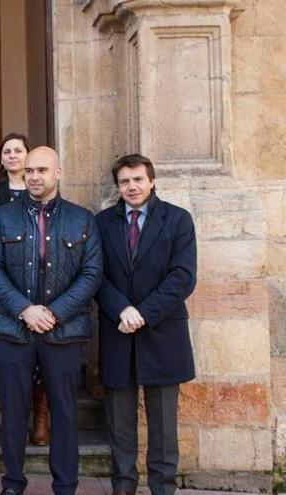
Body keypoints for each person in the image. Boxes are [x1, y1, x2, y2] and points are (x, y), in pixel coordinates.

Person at [0, 146, 103, 495]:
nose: (34, 177)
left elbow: (92, 274)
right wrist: (25, 309)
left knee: (64, 412)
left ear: (58, 172)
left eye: (42, 170)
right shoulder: (2, 217)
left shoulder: (83, 219)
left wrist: (55, 312)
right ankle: (12, 483)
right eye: (30, 171)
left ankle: (65, 484)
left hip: (64, 330)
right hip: (12, 328)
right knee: (14, 411)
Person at [95, 154, 197, 495]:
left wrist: (143, 312)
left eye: (138, 179)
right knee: (119, 420)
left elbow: (182, 277)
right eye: (124, 181)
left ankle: (162, 487)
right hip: (118, 330)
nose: (132, 186)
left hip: (162, 332)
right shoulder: (102, 223)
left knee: (164, 423)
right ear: (118, 186)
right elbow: (96, 276)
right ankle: (123, 485)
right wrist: (122, 309)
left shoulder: (178, 220)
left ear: (151, 181)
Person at [0, 133, 50, 446]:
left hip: (43, 291)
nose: (12, 156)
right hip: (3, 290)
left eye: (18, 150)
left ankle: (40, 413)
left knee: (41, 362)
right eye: (6, 151)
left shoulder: (45, 196)